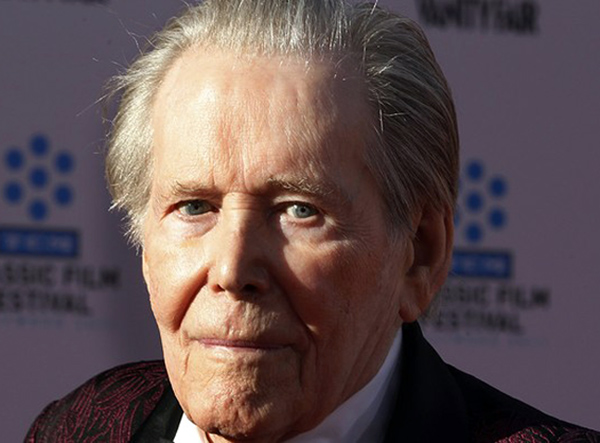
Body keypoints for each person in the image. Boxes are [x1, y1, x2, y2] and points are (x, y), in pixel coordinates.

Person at [26, 1, 599, 442]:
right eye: (195, 207)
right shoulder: (75, 427)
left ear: (420, 254)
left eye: (299, 210)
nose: (231, 269)